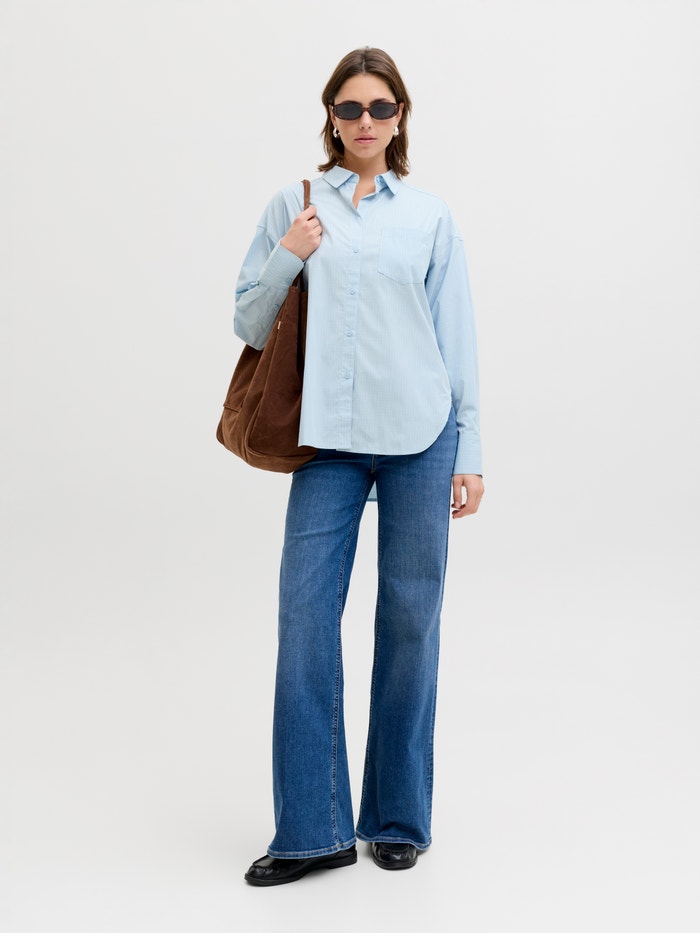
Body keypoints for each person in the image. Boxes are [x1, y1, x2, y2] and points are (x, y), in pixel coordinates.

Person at [234, 47, 484, 886]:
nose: (365, 121)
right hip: (329, 442)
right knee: (305, 620)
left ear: (400, 116)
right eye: (350, 108)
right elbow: (248, 321)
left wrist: (470, 449)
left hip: (421, 436)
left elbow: (455, 336)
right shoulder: (295, 204)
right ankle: (313, 829)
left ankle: (397, 817)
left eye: (380, 107)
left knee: (411, 624)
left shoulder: (430, 217)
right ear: (331, 117)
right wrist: (291, 251)